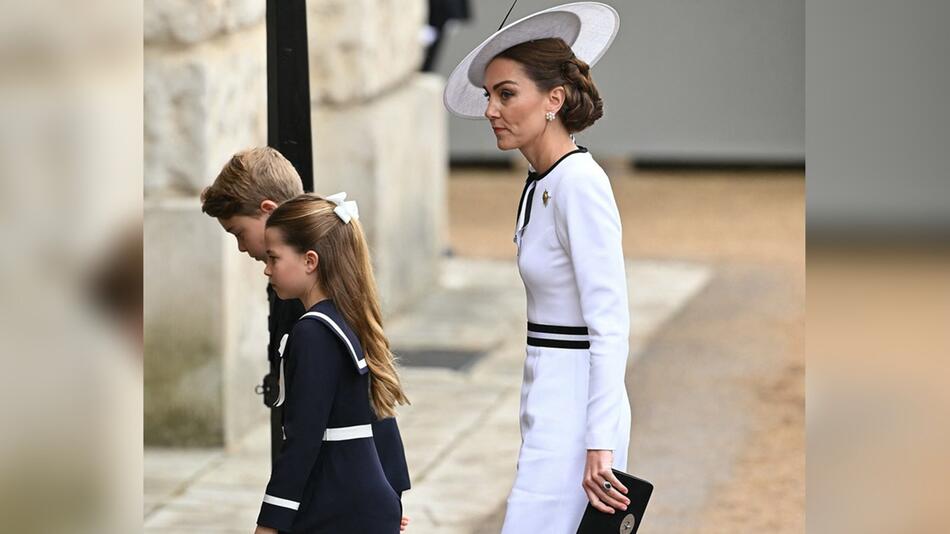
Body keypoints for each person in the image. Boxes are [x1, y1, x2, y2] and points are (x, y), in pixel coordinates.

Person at [443, 3, 632, 532]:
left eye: (507, 94)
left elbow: (610, 320)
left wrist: (601, 441)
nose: (491, 110)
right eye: (489, 95)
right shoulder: (542, 182)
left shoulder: (580, 183)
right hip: (548, 395)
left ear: (553, 100)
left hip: (578, 410)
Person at [200, 148, 411, 531]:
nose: (243, 248)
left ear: (267, 211)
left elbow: (316, 430)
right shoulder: (332, 300)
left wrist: (271, 521)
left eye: (238, 233)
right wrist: (389, 490)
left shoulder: (310, 317)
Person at [253, 192, 409, 533]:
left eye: (273, 258)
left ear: (310, 261)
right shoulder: (347, 320)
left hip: (339, 511)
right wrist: (392, 495)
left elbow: (302, 440)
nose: (266, 269)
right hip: (364, 507)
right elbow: (378, 416)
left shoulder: (313, 333)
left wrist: (269, 523)